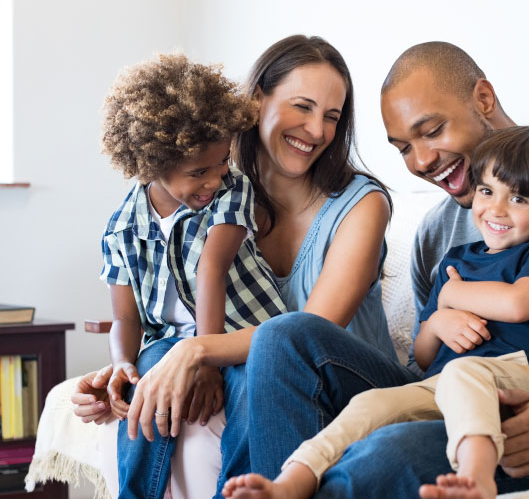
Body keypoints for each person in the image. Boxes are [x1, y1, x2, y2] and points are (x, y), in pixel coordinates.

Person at [237, 41, 529, 498]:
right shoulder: (437, 232)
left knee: (386, 454)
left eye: (432, 130)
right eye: (403, 149)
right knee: (284, 337)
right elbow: (425, 360)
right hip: (446, 400)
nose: (421, 162)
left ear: (483, 99)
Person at [71, 35, 403, 499]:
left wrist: (197, 351)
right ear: (255, 102)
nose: (316, 130)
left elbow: (310, 333)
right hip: (253, 366)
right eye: (302, 107)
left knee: (264, 360)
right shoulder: (212, 197)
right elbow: (163, 306)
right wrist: (124, 371)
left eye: (332, 116)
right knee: (157, 383)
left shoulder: (360, 206)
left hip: (344, 384)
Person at [221, 125, 529, 499]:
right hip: (438, 385)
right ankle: (291, 481)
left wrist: (453, 295)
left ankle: (478, 477)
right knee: (370, 404)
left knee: (463, 371)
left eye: (519, 199)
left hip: (514, 380)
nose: (496, 209)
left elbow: (518, 304)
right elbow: (424, 356)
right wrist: (439, 319)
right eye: (487, 191)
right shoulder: (456, 260)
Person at [96, 52, 286, 499]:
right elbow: (126, 318)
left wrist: (206, 359)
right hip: (168, 342)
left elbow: (211, 268)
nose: (214, 179)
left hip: (243, 332)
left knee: (249, 390)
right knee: (146, 384)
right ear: (150, 164)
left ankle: (239, 492)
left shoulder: (231, 188)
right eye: (198, 172)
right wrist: (124, 362)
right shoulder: (122, 228)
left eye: (221, 163)